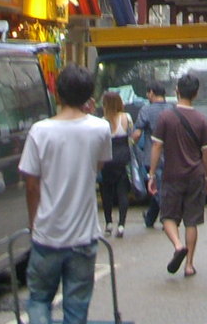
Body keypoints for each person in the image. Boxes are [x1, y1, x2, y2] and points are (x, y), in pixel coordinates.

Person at [19, 64, 112, 324]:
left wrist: (34, 222)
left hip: (47, 234)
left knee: (39, 300)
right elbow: (98, 166)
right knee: (76, 306)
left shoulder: (39, 131)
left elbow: (31, 185)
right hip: (84, 236)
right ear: (89, 96)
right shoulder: (100, 128)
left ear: (57, 94)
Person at [146, 73, 207, 277]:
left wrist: (151, 174)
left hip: (172, 175)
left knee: (168, 216)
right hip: (195, 175)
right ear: (196, 94)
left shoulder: (166, 117)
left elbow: (157, 146)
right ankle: (189, 265)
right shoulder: (201, 119)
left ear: (177, 91)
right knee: (191, 221)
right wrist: (203, 172)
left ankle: (178, 245)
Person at [97, 90, 134, 238]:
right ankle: (121, 225)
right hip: (123, 158)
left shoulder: (101, 122)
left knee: (106, 191)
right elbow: (132, 134)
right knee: (122, 191)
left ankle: (108, 223)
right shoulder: (126, 118)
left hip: (107, 159)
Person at [132, 84, 168, 230]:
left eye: (148, 93)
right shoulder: (173, 109)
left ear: (152, 93)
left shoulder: (146, 110)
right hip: (171, 156)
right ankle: (150, 218)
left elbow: (137, 133)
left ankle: (167, 218)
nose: (147, 96)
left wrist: (130, 145)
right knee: (163, 187)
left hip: (152, 156)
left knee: (156, 188)